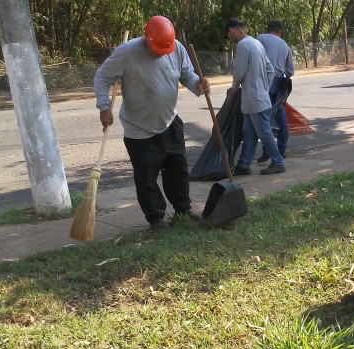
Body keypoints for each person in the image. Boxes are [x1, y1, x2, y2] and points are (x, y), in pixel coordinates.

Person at [93, 15, 211, 232]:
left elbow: (187, 75)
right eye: (157, 49)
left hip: (169, 121)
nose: (161, 54)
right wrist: (104, 106)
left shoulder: (175, 47)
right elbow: (101, 78)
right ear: (147, 38)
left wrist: (198, 84)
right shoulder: (126, 52)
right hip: (140, 129)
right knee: (146, 177)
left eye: (164, 50)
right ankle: (156, 218)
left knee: (178, 170)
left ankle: (183, 209)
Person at [225, 18, 285, 176]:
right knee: (249, 132)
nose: (230, 38)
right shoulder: (255, 43)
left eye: (229, 34)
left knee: (264, 132)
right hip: (257, 97)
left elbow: (239, 72)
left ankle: (278, 162)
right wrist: (264, 87)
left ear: (232, 30)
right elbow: (270, 69)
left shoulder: (243, 45)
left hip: (254, 99)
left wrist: (234, 88)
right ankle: (244, 164)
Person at [255, 20, 295, 163]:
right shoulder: (285, 45)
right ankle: (281, 149)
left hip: (265, 81)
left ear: (268, 29)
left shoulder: (261, 38)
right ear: (281, 31)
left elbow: (254, 57)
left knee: (264, 117)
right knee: (279, 114)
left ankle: (268, 151)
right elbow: (290, 70)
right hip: (279, 83)